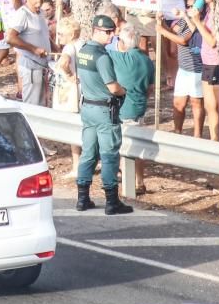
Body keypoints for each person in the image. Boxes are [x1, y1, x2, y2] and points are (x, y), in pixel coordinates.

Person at [75, 15, 133, 216]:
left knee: (88, 152)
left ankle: (82, 198)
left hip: (88, 108)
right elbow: (113, 86)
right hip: (104, 110)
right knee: (109, 155)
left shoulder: (83, 51)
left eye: (112, 31)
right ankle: (111, 201)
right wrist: (124, 91)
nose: (112, 35)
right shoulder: (102, 56)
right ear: (96, 31)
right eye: (108, 32)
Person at [110, 23, 155, 194]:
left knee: (123, 148)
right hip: (139, 108)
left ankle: (127, 184)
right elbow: (150, 88)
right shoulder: (147, 60)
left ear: (123, 42)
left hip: (123, 110)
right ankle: (139, 181)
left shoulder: (119, 58)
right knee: (136, 147)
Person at [157, 0, 205, 138]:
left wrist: (163, 31)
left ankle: (198, 135)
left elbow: (184, 40)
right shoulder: (183, 21)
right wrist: (161, 23)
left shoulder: (199, 23)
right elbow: (173, 31)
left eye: (192, 6)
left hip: (197, 69)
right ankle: (178, 132)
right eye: (188, 6)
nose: (189, 8)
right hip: (183, 69)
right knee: (178, 103)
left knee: (196, 103)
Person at [6, 0, 52, 105]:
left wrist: (54, 46)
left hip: (42, 66)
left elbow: (43, 34)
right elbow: (10, 38)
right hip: (31, 66)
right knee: (33, 106)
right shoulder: (23, 14)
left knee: (42, 105)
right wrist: (33, 49)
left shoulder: (41, 13)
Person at [190, 0, 219, 141]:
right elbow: (199, 31)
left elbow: (212, 41)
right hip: (207, 62)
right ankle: (214, 139)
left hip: (216, 63)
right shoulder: (209, 10)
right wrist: (188, 17)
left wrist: (196, 21)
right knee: (210, 106)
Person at [55, 16, 86, 176]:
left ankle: (76, 166)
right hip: (84, 90)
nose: (58, 36)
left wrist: (69, 74)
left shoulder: (68, 48)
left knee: (74, 129)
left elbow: (64, 62)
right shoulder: (83, 45)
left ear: (70, 34)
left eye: (61, 34)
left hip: (72, 91)